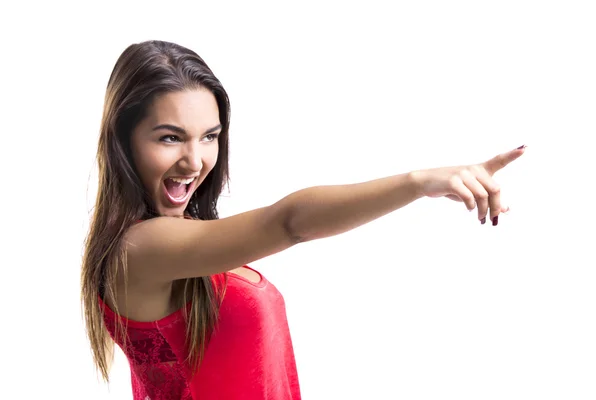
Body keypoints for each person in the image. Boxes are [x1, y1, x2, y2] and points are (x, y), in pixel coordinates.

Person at [81, 40, 526, 400]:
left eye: (210, 137)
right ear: (123, 140)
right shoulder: (138, 250)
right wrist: (418, 182)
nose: (194, 161)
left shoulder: (189, 242)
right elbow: (288, 222)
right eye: (170, 138)